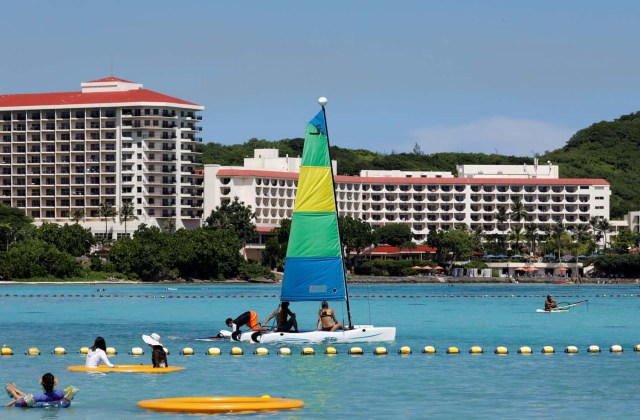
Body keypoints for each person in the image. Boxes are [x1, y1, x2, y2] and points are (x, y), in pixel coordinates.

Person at [5, 373, 77, 407]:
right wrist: (67, 397)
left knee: (23, 398)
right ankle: (16, 390)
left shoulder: (38, 397)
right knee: (27, 397)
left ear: (42, 384)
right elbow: (73, 390)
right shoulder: (61, 393)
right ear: (54, 383)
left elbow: (20, 403)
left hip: (34, 400)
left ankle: (13, 392)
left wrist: (15, 400)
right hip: (55, 401)